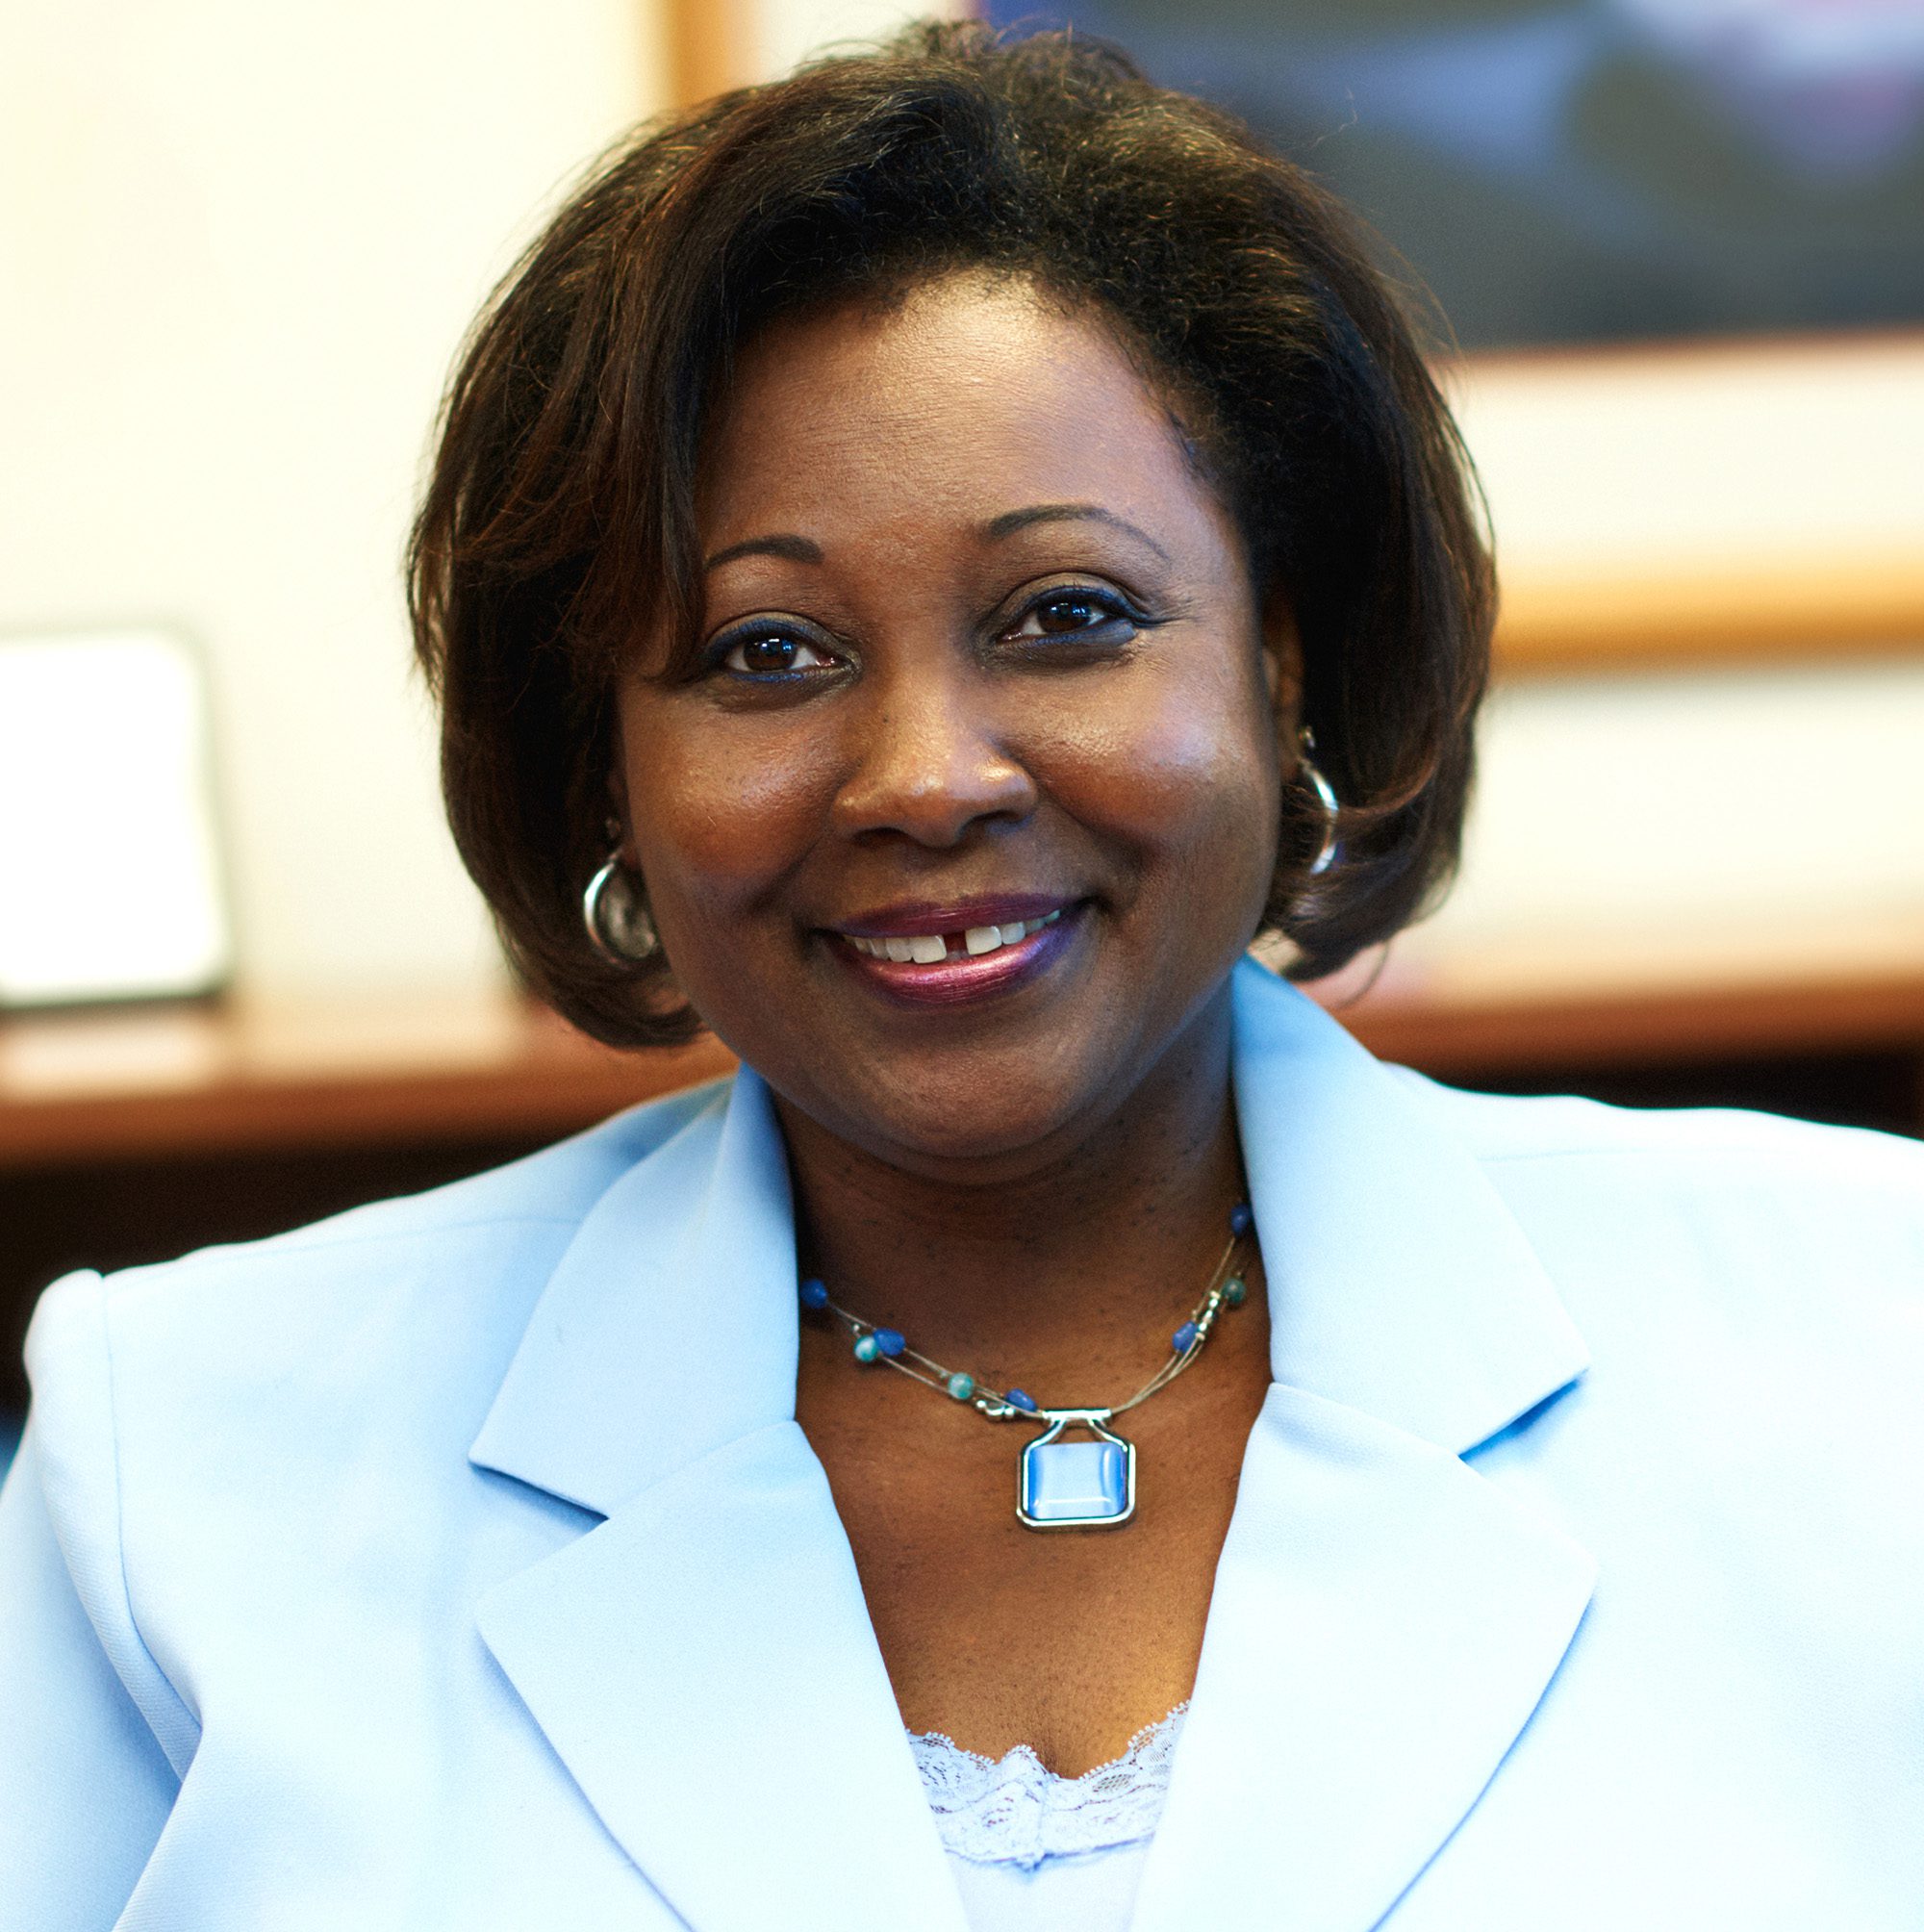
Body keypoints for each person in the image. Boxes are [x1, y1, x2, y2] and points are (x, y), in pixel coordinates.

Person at [1, 22, 1919, 1931]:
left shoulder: (1859, 1340)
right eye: (764, 652)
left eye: (1068, 615)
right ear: (607, 762)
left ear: (1286, 669)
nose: (924, 774)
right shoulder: (172, 1464)